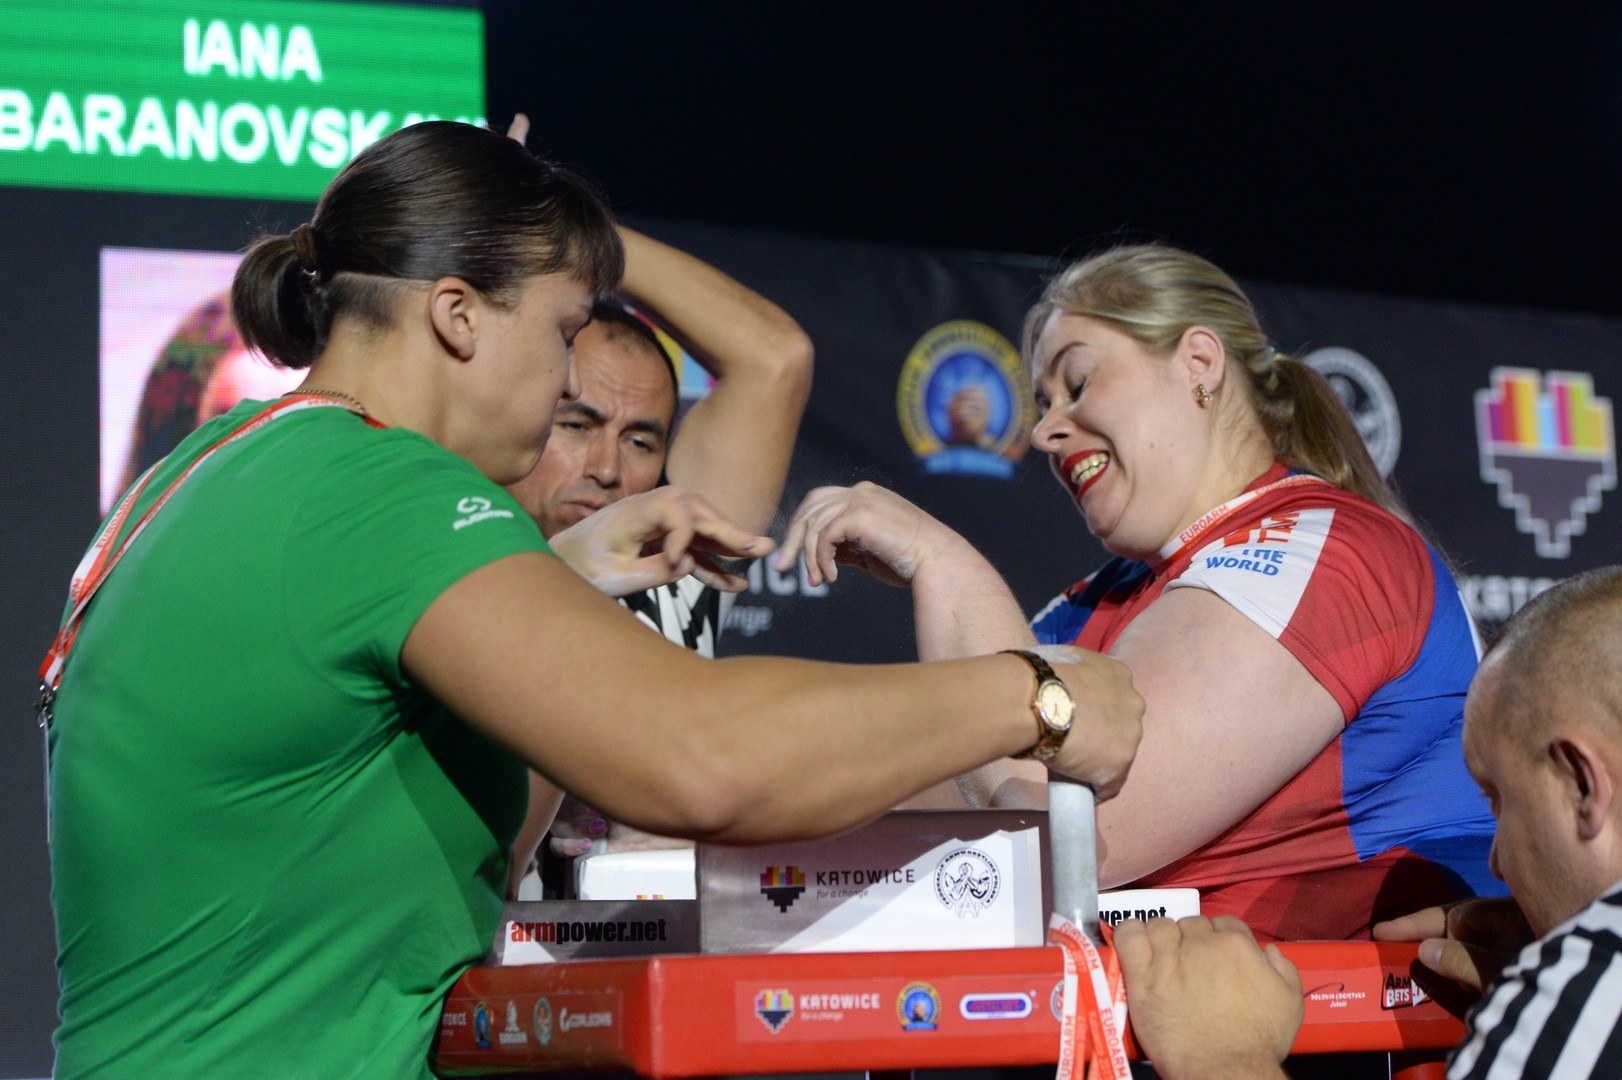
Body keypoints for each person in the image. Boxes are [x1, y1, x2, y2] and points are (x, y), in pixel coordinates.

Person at [44, 120, 1143, 1079]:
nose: (572, 373)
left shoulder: (206, 472)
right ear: (460, 317)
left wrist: (560, 578)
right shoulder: (378, 487)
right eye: (566, 328)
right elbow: (706, 760)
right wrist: (1034, 696)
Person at [775, 243, 1499, 941]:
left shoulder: (1325, 546)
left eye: (1078, 383)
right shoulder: (1092, 602)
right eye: (1043, 404)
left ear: (1199, 363)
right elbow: (923, 820)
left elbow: (1058, 844)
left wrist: (943, 563)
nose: (1047, 432)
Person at [1120, 565, 1622, 1079]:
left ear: (1583, 784)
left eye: (1499, 801)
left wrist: (1223, 1056)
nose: (1495, 861)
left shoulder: (1591, 983)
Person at [502, 184, 812, 879]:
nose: (608, 468)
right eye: (576, 426)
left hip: (652, 964)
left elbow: (775, 356)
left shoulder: (677, 569)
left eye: (641, 441)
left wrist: (563, 220)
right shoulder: (449, 572)